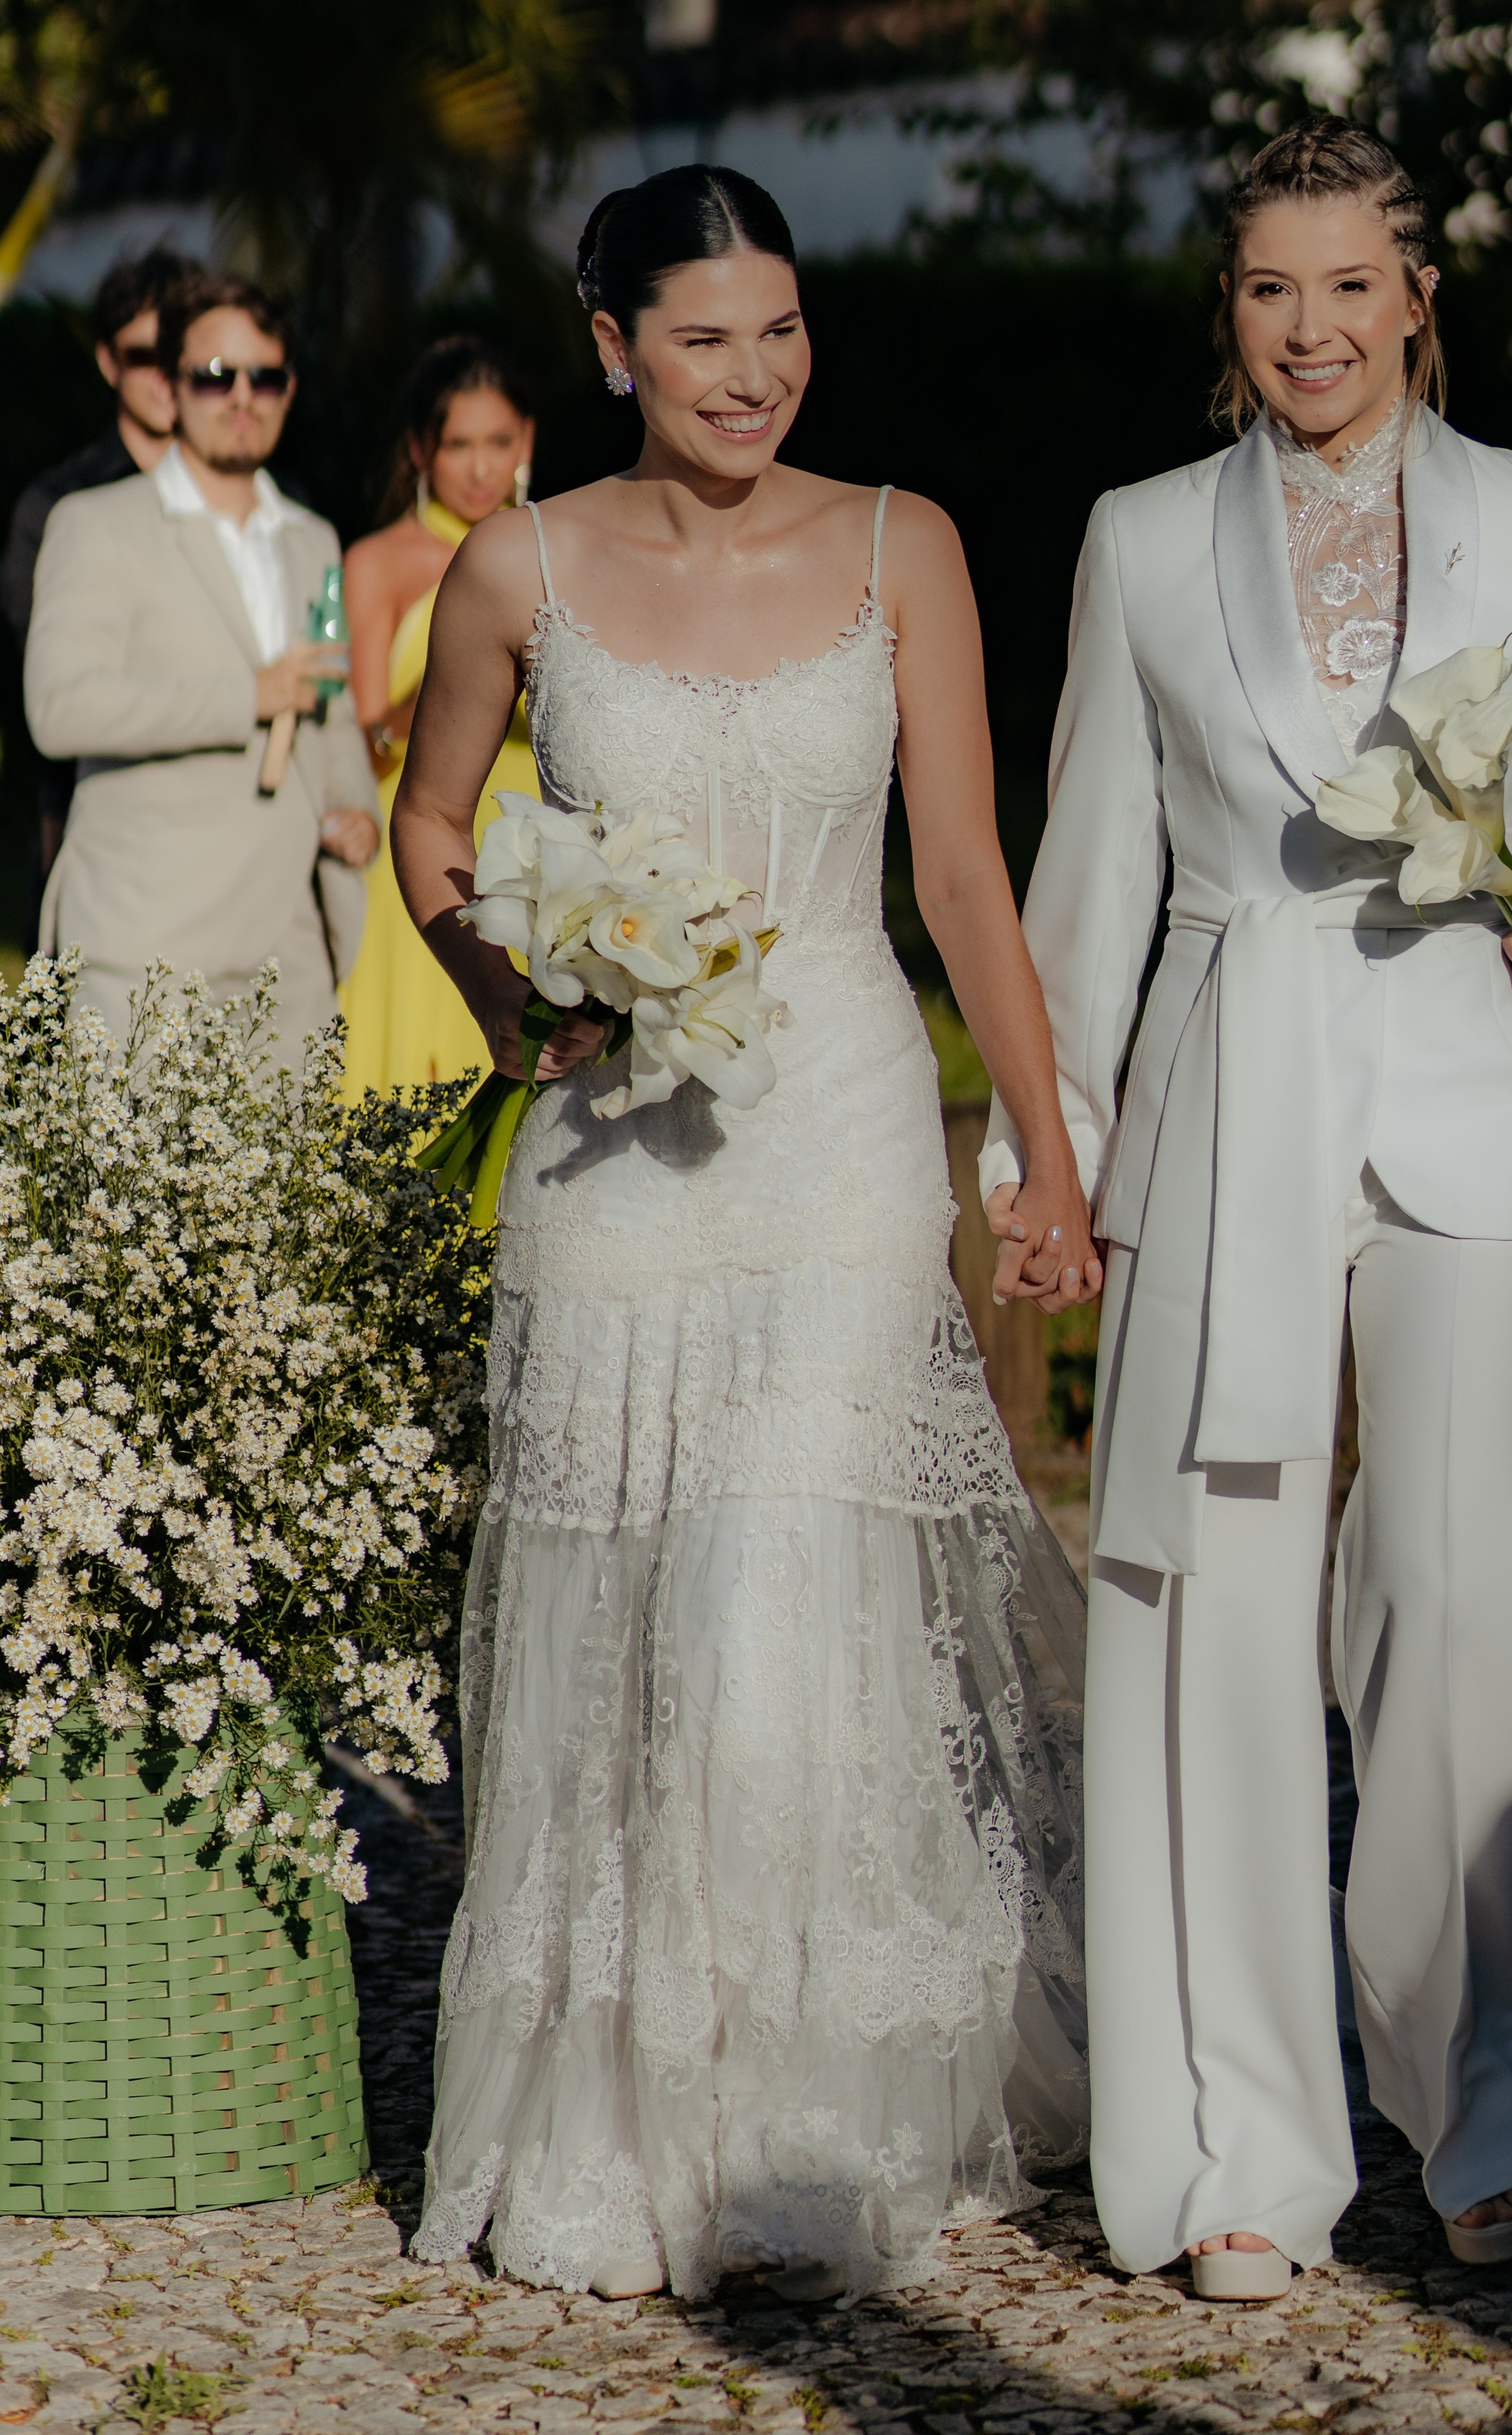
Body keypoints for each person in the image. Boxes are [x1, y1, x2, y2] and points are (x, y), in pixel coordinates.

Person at [980, 116, 1512, 2293]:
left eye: (1348, 283)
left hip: (1480, 1106)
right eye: (1265, 288)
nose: (1309, 327)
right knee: (1207, 1599)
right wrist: (1056, 1156)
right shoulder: (1136, 543)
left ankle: (1482, 2085)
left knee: (1456, 1601)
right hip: (1229, 1090)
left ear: (1421, 293)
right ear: (1225, 313)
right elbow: (1091, 879)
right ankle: (1236, 2133)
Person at [393, 166, 1099, 2304]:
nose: (755, 374)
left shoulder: (910, 547)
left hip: (844, 1128)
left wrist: (1044, 1161)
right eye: (706, 336)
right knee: (624, 1612)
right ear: (614, 348)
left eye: (782, 329)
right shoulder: (519, 564)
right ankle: (622, 2122)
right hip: (615, 1156)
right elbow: (436, 833)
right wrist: (522, 1013)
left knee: (780, 1598)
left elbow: (968, 877)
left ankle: (802, 2133)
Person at [25, 270, 380, 1059]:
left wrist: (357, 804)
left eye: (266, 375)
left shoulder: (312, 536)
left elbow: (332, 705)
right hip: (143, 950)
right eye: (216, 375)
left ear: (289, 389)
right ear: (172, 385)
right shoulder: (95, 524)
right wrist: (248, 695)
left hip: (289, 961)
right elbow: (59, 708)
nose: (241, 395)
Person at [337, 337, 540, 1098]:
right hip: (421, 849)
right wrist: (439, 692)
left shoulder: (556, 555)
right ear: (422, 448)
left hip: (527, 848)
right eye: (459, 444)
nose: (482, 467)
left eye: (498, 442)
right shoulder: (378, 562)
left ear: (526, 440)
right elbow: (361, 744)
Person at [1, 246, 201, 921]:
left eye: (184, 351)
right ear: (108, 361)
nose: (168, 374)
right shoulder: (57, 505)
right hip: (93, 816)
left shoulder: (260, 508)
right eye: (146, 355)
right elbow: (54, 689)